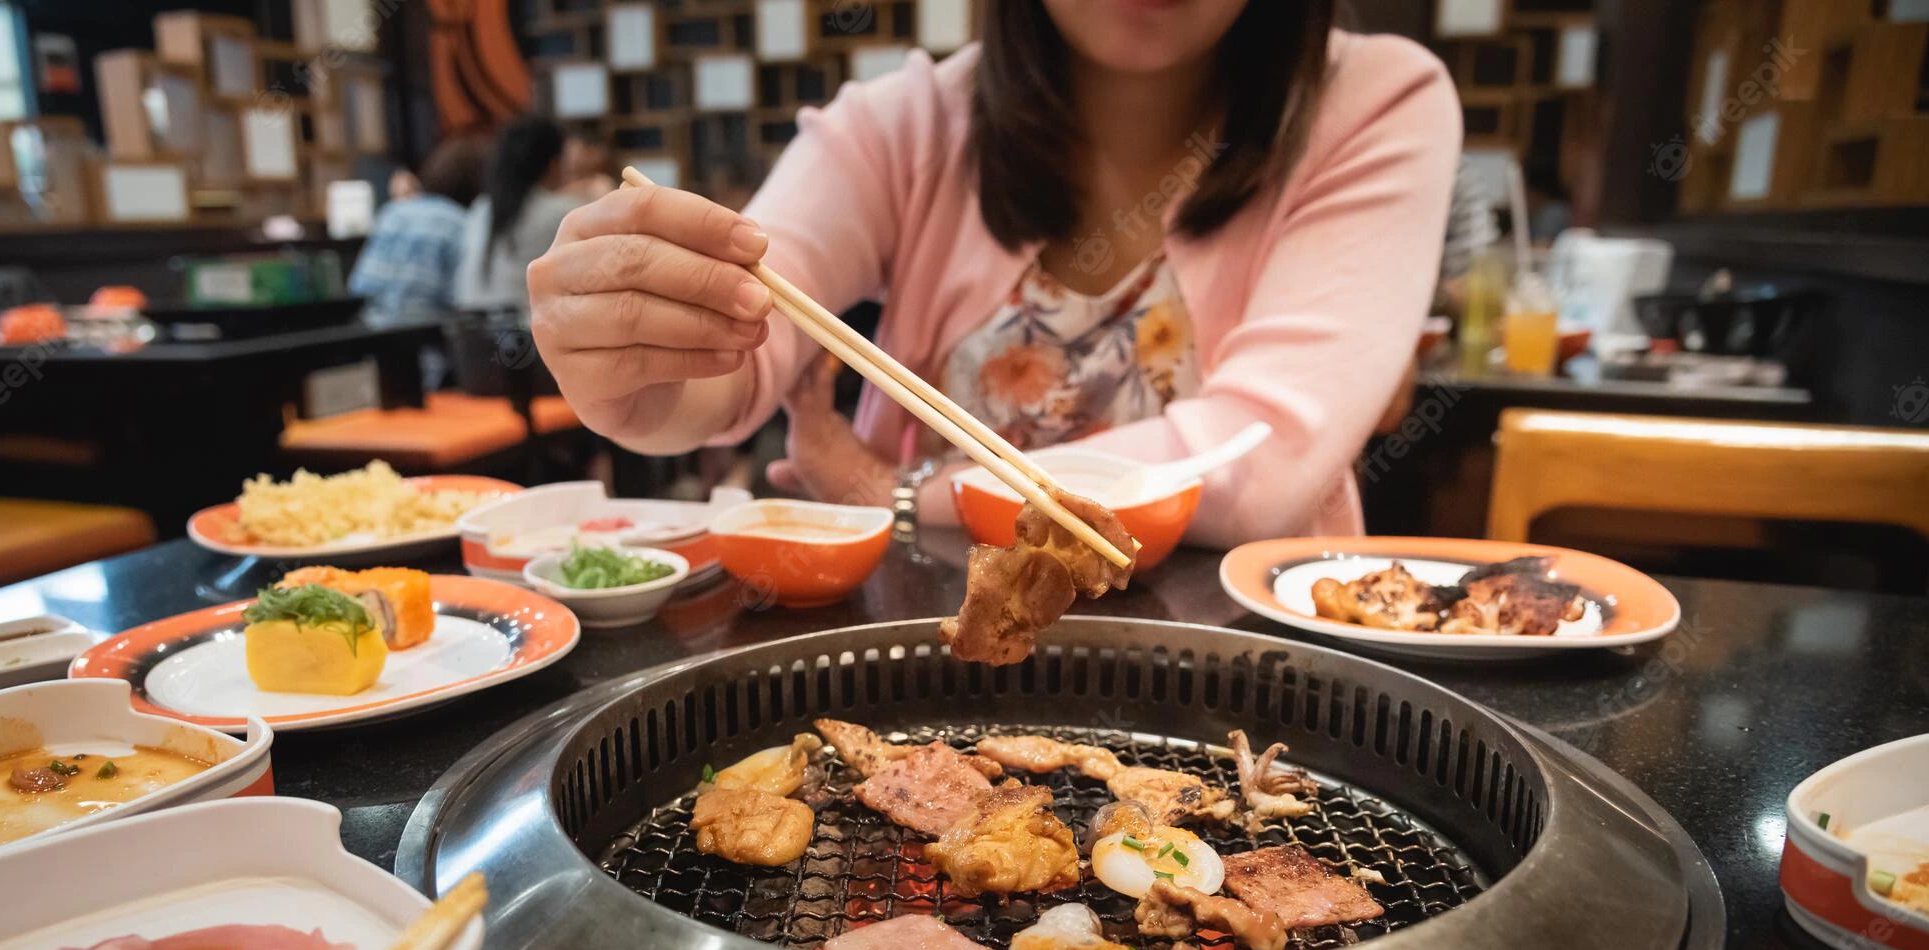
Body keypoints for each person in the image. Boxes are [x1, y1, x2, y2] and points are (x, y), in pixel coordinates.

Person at [526, 1, 1460, 546]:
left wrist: (891, 494)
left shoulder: (1375, 102)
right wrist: (645, 369)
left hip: (1261, 702)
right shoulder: (903, 127)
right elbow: (756, 315)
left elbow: (1253, 465)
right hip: (936, 689)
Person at [348, 134, 487, 324]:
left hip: (372, 331)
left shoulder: (392, 211)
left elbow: (359, 284)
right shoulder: (462, 222)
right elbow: (462, 296)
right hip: (428, 334)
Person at [455, 116, 583, 315]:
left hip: (468, 334)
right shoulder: (560, 213)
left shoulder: (480, 208)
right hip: (523, 333)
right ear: (552, 164)